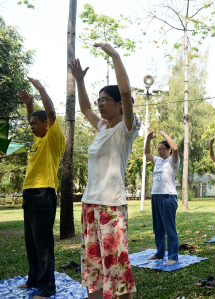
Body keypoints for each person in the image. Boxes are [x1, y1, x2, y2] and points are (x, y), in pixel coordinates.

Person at [70, 43, 139, 299]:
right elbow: (85, 108)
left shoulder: (126, 129)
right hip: (90, 206)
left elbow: (125, 89)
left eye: (104, 100)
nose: (99, 104)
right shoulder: (102, 128)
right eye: (99, 99)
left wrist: (115, 56)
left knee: (117, 269)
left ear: (120, 104)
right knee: (95, 268)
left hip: (111, 207)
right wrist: (79, 81)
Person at [16, 77, 65, 299]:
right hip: (30, 194)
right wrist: (29, 105)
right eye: (31, 123)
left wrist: (41, 89)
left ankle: (47, 288)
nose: (32, 126)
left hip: (44, 193)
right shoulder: (37, 141)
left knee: (43, 244)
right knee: (31, 240)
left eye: (35, 123)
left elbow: (51, 111)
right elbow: (34, 117)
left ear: (47, 124)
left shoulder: (53, 138)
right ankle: (34, 279)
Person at [145, 130, 180, 265]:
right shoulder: (158, 160)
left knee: (169, 227)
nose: (159, 152)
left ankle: (173, 256)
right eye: (158, 149)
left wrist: (165, 135)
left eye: (162, 149)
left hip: (168, 196)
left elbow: (176, 148)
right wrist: (148, 139)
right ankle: (160, 253)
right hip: (156, 195)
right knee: (158, 227)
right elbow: (147, 153)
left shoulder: (173, 161)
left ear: (169, 150)